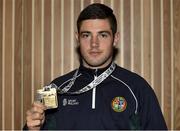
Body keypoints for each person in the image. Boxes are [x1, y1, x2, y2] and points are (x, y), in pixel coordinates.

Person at [23, 3, 167, 130]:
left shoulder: (138, 88)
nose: (94, 44)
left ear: (115, 38)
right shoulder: (55, 88)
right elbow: (33, 125)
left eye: (103, 35)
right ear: (77, 38)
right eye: (86, 35)